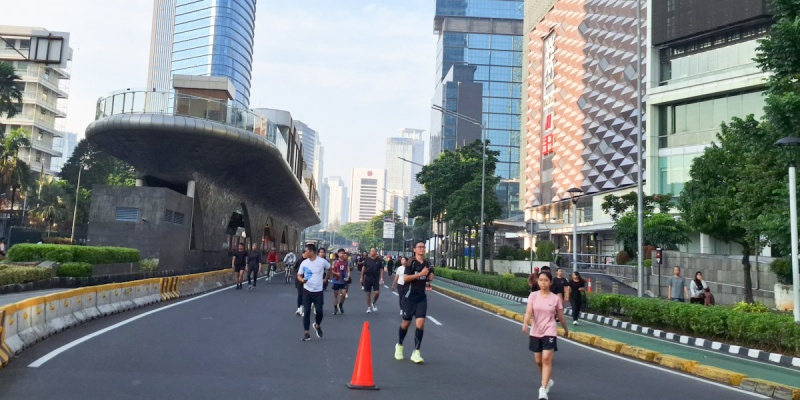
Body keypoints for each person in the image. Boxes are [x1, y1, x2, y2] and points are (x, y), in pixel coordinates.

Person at [522, 271, 569, 400]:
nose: (543, 282)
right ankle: (547, 381)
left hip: (550, 330)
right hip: (536, 331)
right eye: (541, 280)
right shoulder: (533, 296)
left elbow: (560, 317)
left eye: (546, 280)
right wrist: (525, 323)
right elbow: (528, 311)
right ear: (538, 281)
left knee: (546, 359)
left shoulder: (555, 298)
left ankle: (543, 390)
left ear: (550, 282)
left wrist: (566, 329)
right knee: (538, 361)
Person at [395, 241, 434, 364]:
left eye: (423, 247)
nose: (422, 249)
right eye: (420, 247)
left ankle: (416, 352)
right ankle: (399, 345)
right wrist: (420, 274)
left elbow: (429, 278)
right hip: (409, 297)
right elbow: (405, 278)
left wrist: (429, 276)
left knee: (420, 323)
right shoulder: (411, 262)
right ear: (414, 250)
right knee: (406, 323)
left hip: (421, 297)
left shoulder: (427, 263)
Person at [297, 243, 332, 341]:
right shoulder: (304, 263)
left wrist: (326, 279)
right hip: (307, 291)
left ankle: (317, 325)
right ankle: (306, 332)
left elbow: (330, 269)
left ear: (311, 252)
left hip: (318, 291)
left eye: (306, 251)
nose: (304, 253)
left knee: (319, 312)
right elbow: (299, 275)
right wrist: (302, 280)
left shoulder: (322, 262)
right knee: (307, 311)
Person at [361, 247, 385, 313]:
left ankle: (373, 303)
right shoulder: (367, 260)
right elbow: (363, 268)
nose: (372, 252)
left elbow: (381, 269)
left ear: (376, 252)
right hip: (368, 278)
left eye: (373, 251)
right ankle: (368, 307)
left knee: (377, 293)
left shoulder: (379, 260)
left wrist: (381, 278)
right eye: (371, 251)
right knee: (368, 293)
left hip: (375, 278)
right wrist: (361, 277)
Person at [331, 248, 349, 314]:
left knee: (343, 294)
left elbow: (348, 270)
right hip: (336, 280)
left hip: (343, 280)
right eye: (340, 253)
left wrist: (348, 277)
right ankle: (335, 308)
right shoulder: (335, 262)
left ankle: (340, 305)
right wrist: (336, 273)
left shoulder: (346, 262)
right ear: (338, 254)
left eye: (343, 253)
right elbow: (331, 270)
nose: (342, 254)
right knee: (336, 295)